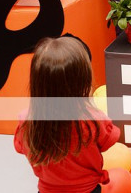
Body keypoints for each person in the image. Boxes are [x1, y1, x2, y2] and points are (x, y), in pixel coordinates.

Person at [14, 36, 120, 193]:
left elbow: (21, 147)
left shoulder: (27, 122)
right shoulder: (93, 120)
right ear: (84, 82)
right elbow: (108, 141)